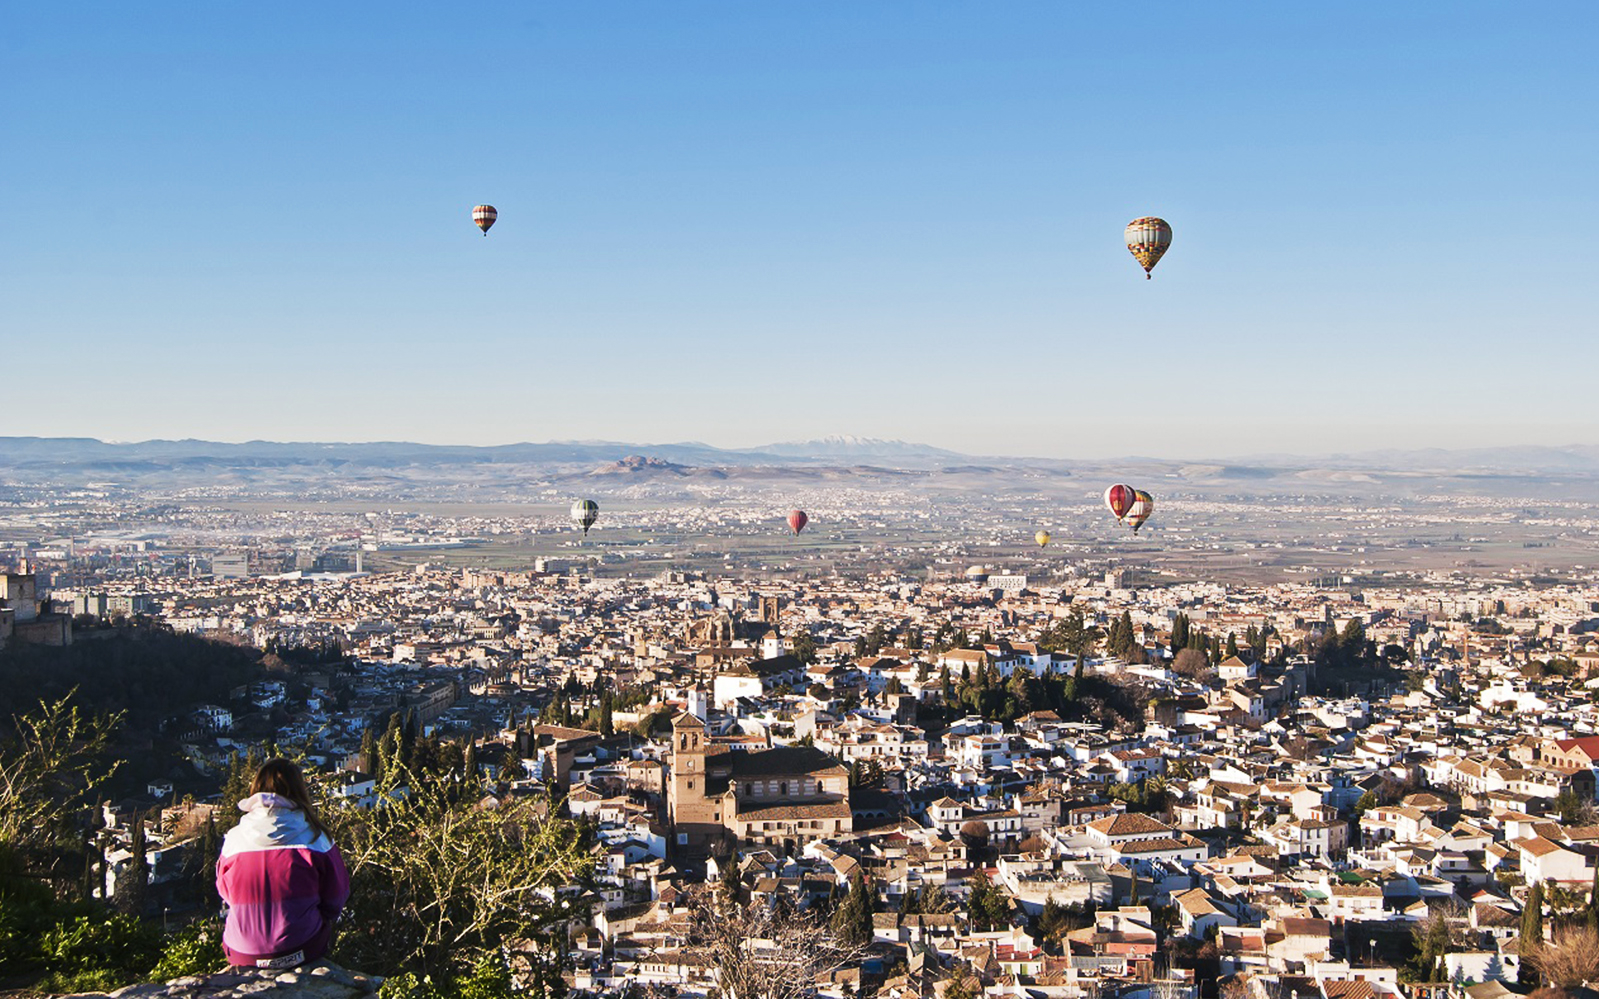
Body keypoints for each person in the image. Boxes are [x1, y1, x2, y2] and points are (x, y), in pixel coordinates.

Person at [216, 758, 350, 968]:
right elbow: (336, 898)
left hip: (242, 953)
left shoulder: (234, 839)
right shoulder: (316, 839)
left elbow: (225, 893)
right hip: (301, 948)